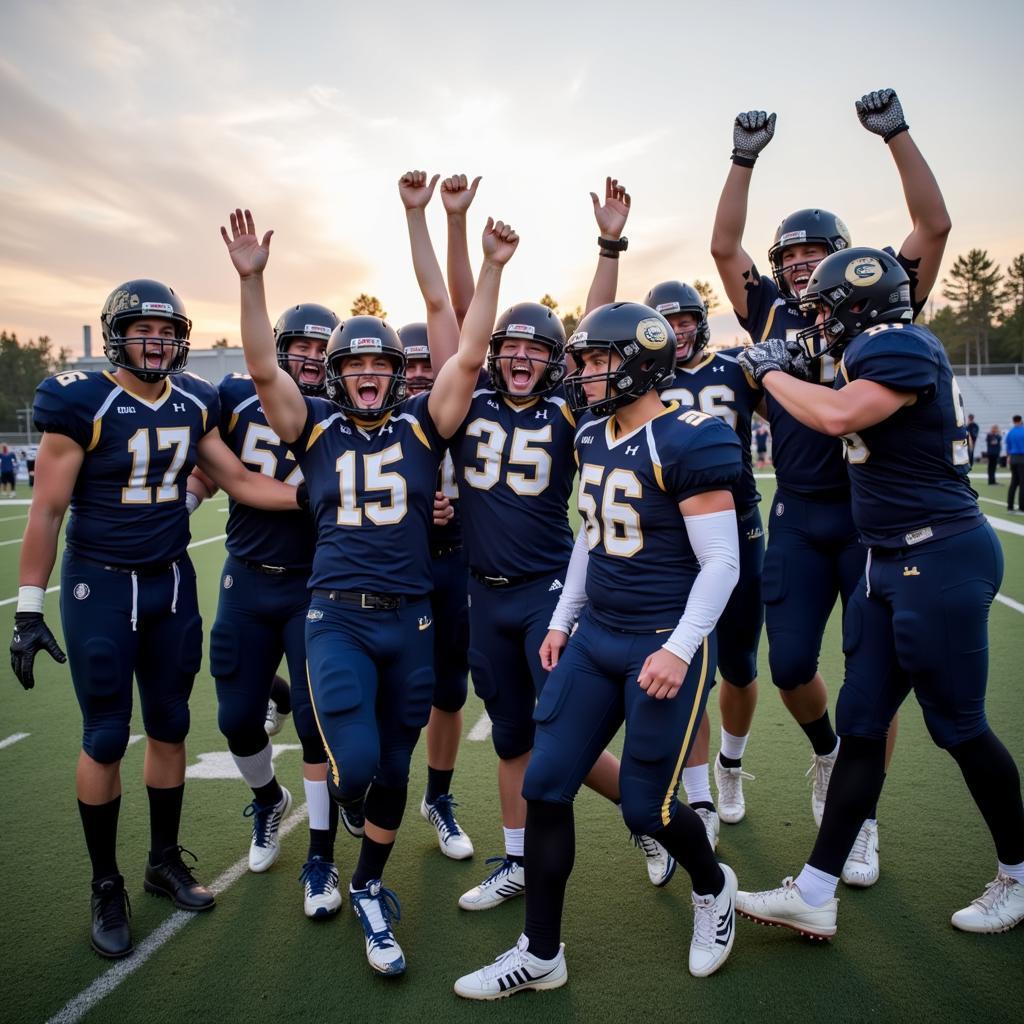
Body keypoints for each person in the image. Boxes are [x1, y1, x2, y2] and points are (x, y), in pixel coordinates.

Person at [222, 205, 518, 977]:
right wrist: (253, 283)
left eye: (379, 367)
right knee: (356, 769)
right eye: (354, 367)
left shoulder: (425, 426)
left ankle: (368, 889)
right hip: (337, 621)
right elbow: (261, 368)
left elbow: (470, 355)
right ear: (332, 375)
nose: (366, 376)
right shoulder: (312, 428)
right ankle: (349, 846)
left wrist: (490, 270)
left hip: (413, 620)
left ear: (394, 372)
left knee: (396, 768)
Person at [454, 301, 743, 1000]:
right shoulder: (591, 435)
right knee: (545, 784)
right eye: (580, 361)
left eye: (594, 361)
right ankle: (541, 952)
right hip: (597, 637)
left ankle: (714, 888)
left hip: (659, 642)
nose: (582, 374)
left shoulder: (688, 440)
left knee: (648, 809)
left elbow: (723, 563)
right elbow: (590, 535)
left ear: (639, 365)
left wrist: (679, 649)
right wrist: (562, 619)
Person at [735, 247, 1024, 937]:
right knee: (861, 727)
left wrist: (771, 372)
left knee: (958, 727)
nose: (820, 322)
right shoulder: (866, 347)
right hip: (890, 562)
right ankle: (814, 889)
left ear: (860, 303)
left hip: (941, 554)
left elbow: (839, 417)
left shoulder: (899, 342)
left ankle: (1017, 875)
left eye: (828, 308)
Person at [9, 279, 299, 960]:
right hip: (101, 587)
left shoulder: (196, 401)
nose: (158, 342)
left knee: (170, 724)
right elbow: (47, 510)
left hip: (169, 583)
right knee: (107, 735)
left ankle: (163, 860)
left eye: (168, 332)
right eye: (145, 330)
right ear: (116, 333)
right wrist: (27, 609)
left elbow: (241, 480)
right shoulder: (83, 400)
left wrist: (323, 494)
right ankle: (105, 882)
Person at [709, 88, 950, 882]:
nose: (800, 265)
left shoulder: (874, 302)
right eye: (790, 258)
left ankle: (863, 816)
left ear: (845, 258)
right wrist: (742, 159)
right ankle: (828, 759)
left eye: (814, 254)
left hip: (873, 518)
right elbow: (723, 246)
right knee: (788, 669)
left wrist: (897, 137)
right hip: (804, 515)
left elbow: (933, 229)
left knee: (870, 685)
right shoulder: (773, 313)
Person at [450, 179, 675, 913]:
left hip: (547, 590)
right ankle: (516, 861)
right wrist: (462, 236)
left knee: (564, 742)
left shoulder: (565, 413)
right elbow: (461, 315)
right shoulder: (468, 400)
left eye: (536, 350)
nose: (519, 358)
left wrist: (609, 245)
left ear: (556, 361)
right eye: (509, 347)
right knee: (513, 733)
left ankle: (655, 821)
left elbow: (600, 325)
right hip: (483, 591)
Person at [204, 300, 343, 919]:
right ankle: (267, 800)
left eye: (322, 348)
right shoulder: (236, 396)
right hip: (248, 578)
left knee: (317, 729)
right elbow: (208, 463)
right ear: (280, 347)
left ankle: (321, 857)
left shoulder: (348, 405)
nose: (312, 358)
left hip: (316, 586)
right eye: (302, 346)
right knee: (236, 719)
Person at [396, 169, 479, 859]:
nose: (423, 374)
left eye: (432, 363)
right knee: (388, 686)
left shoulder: (455, 404)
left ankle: (440, 794)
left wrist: (441, 222)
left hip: (456, 565)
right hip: (395, 566)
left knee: (450, 689)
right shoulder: (377, 418)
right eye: (412, 367)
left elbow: (446, 301)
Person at [1006, 415, 1024, 513]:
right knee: (1023, 483)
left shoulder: (1011, 432)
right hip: (1022, 458)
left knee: (1014, 483)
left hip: (1013, 458)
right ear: (1021, 420)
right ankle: (1022, 507)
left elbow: (1008, 447)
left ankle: (1010, 506)